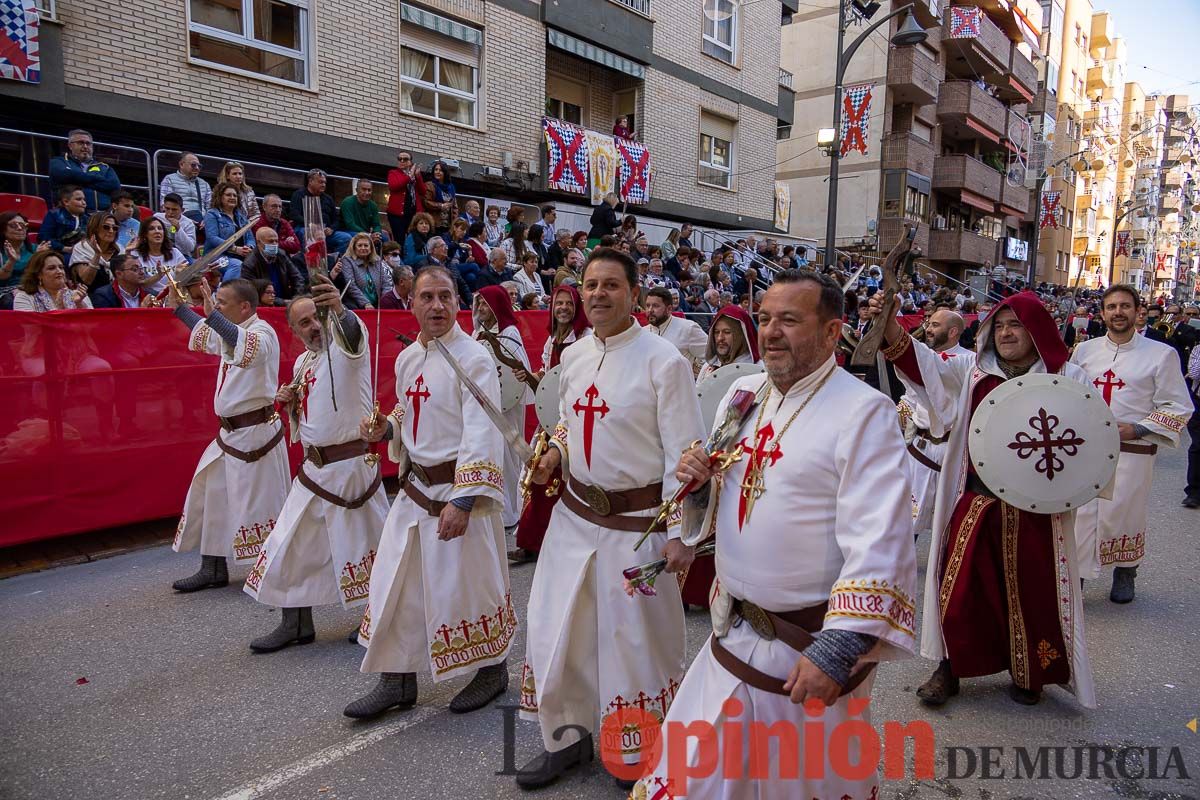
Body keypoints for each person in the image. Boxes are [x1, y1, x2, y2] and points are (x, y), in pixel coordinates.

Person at [632, 270, 918, 800]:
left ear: (833, 333)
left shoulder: (864, 412)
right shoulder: (742, 394)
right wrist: (699, 484)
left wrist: (840, 646)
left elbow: (881, 537)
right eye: (764, 319)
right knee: (696, 778)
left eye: (789, 319)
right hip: (732, 630)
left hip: (807, 648)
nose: (770, 332)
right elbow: (726, 503)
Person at [516, 248, 704, 790]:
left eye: (610, 286)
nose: (597, 295)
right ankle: (567, 742)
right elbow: (570, 427)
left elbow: (684, 455)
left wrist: (679, 535)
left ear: (634, 294)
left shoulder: (662, 361)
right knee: (559, 630)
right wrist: (556, 451)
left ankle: (635, 750)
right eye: (590, 285)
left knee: (633, 643)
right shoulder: (573, 356)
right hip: (573, 520)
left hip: (636, 527)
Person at [865, 290, 1096, 708]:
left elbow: (1089, 440)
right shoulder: (973, 371)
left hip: (1038, 509)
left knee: (1033, 593)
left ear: (1036, 330)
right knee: (959, 590)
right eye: (1000, 325)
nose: (1006, 333)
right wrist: (891, 325)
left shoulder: (1070, 378)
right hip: (978, 498)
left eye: (1016, 325)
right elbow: (925, 367)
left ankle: (1031, 674)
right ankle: (948, 668)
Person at [347, 265, 513, 718]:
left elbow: (483, 430)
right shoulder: (408, 359)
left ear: (457, 301)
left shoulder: (474, 357)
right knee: (395, 584)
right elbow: (410, 409)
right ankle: (397, 680)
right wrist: (388, 427)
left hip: (458, 495)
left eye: (445, 296)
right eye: (427, 297)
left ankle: (492, 670)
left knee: (470, 587)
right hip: (414, 491)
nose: (436, 306)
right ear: (412, 303)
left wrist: (463, 500)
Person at [244, 276, 389, 652]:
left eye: (317, 317)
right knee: (289, 542)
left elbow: (354, 334)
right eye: (304, 323)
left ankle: (381, 621)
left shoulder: (345, 347)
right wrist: (290, 399)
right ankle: (295, 624)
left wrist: (339, 310)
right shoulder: (305, 361)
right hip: (313, 470)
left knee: (368, 550)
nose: (313, 326)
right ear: (293, 330)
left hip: (351, 468)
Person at [164, 277, 290, 593]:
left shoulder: (263, 334)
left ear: (244, 306)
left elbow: (236, 340)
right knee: (212, 493)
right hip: (230, 434)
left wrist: (212, 315)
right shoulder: (230, 331)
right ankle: (212, 568)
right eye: (216, 302)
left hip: (255, 435)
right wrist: (180, 309)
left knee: (260, 506)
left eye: (222, 302)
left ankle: (277, 571)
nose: (216, 307)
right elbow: (210, 335)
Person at [1070, 285, 1192, 603]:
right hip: (1088, 448)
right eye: (1111, 307)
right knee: (1082, 512)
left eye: (1125, 306)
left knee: (1123, 510)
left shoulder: (1161, 354)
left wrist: (1138, 429)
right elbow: (1068, 393)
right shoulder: (1085, 351)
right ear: (1102, 313)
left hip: (1133, 449)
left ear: (1138, 311)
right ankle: (1078, 574)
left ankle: (1126, 569)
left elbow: (1178, 406)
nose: (1118, 312)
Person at [510, 284, 591, 565]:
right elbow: (548, 379)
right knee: (538, 478)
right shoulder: (551, 340)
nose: (564, 309)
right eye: (559, 304)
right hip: (550, 420)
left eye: (569, 303)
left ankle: (561, 542)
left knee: (565, 482)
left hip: (575, 420)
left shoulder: (586, 339)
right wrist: (531, 376)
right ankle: (531, 541)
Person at [896, 309, 971, 541]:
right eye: (929, 323)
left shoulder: (969, 361)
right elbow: (911, 396)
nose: (928, 329)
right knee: (908, 518)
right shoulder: (924, 358)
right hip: (920, 449)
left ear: (953, 331)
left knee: (949, 523)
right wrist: (902, 410)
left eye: (935, 325)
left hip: (952, 451)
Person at [473, 285, 533, 531]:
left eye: (485, 304)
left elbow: (517, 370)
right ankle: (498, 506)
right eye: (478, 304)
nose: (481, 309)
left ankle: (513, 511)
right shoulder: (477, 333)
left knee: (509, 454)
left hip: (507, 404)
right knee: (490, 452)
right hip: (486, 405)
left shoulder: (509, 332)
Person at [49, 129, 120, 212]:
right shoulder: (59, 162)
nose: (85, 146)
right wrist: (98, 179)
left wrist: (77, 180)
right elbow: (61, 175)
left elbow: (114, 186)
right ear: (70, 146)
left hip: (101, 216)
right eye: (81, 143)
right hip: (68, 213)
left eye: (88, 143)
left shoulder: (104, 167)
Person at [645, 286, 707, 372]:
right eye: (648, 306)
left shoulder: (688, 328)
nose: (650, 310)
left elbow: (710, 354)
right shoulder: (642, 332)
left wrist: (697, 371)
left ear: (669, 309)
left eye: (655, 306)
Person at [289, 169, 350, 254]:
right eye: (320, 182)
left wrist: (331, 229)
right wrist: (310, 224)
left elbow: (336, 219)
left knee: (346, 238)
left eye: (325, 183)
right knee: (304, 233)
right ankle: (310, 262)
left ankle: (334, 262)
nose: (323, 185)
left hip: (325, 232)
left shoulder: (328, 199)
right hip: (306, 229)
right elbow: (294, 215)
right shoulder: (299, 194)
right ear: (310, 181)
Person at [240, 227, 307, 303]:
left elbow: (297, 277)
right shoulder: (249, 264)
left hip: (288, 300)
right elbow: (252, 292)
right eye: (271, 241)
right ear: (258, 242)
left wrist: (297, 298)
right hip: (265, 306)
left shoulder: (281, 254)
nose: (275, 244)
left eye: (276, 241)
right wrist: (283, 302)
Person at [696, 304, 760, 383]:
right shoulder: (708, 367)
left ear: (741, 335)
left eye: (727, 332)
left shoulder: (757, 369)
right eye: (716, 332)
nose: (720, 338)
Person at [204, 182, 254, 280]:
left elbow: (251, 238)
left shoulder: (242, 218)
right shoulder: (212, 214)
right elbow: (212, 238)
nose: (232, 197)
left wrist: (248, 247)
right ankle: (224, 294)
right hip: (216, 256)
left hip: (241, 255)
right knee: (236, 265)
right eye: (228, 195)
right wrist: (235, 249)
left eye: (235, 195)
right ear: (220, 197)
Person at [13, 249, 92, 311]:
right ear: (38, 274)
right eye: (51, 268)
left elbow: (92, 326)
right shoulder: (24, 297)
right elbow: (30, 328)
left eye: (61, 267)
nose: (59, 271)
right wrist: (58, 310)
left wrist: (79, 304)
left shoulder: (79, 295)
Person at [132, 216, 188, 296]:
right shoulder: (136, 254)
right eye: (151, 229)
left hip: (172, 295)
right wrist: (159, 275)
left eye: (160, 228)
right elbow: (139, 284)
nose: (157, 231)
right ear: (145, 234)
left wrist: (181, 274)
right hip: (148, 297)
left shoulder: (175, 252)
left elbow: (188, 276)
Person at [69, 212, 121, 295]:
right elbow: (87, 280)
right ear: (95, 228)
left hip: (117, 297)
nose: (111, 231)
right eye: (106, 227)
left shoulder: (120, 250)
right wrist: (97, 255)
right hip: (89, 297)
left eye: (115, 228)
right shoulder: (82, 248)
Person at [338, 233, 393, 310]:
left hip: (378, 304)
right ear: (354, 248)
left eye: (366, 245)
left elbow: (386, 283)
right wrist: (365, 303)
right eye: (360, 245)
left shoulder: (377, 260)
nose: (363, 248)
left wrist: (384, 301)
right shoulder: (347, 261)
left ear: (371, 248)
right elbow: (351, 286)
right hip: (357, 304)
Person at [0, 212, 47, 301]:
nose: (20, 228)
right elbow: (2, 277)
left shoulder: (36, 249)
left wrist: (38, 258)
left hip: (32, 287)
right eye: (13, 225)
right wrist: (11, 261)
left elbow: (44, 275)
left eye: (23, 225)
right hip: (6, 292)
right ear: (3, 229)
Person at [159, 152, 212, 223]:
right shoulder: (169, 179)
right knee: (172, 231)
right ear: (181, 164)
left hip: (201, 222)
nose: (197, 168)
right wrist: (183, 220)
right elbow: (164, 205)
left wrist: (207, 220)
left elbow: (210, 208)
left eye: (199, 166)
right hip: (177, 220)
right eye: (193, 165)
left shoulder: (204, 184)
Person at [38, 185, 89, 256]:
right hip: (58, 254)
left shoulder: (86, 219)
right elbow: (44, 238)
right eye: (79, 199)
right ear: (66, 202)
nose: (84, 203)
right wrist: (65, 249)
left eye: (84, 199)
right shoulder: (54, 215)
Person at [386, 150, 425, 241]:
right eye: (400, 159)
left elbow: (423, 191)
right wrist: (408, 177)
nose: (402, 161)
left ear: (410, 162)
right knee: (399, 239)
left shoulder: (414, 174)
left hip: (413, 213)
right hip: (397, 214)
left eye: (405, 159)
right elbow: (393, 186)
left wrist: (418, 176)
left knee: (414, 239)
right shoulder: (393, 173)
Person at [337, 180, 384, 244]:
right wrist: (368, 235)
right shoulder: (348, 202)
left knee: (384, 237)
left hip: (366, 232)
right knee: (355, 237)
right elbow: (350, 224)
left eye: (369, 190)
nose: (367, 192)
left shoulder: (373, 205)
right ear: (356, 190)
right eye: (364, 189)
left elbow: (376, 224)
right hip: (349, 231)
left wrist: (377, 233)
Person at [155, 193, 198, 259]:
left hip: (182, 255)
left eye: (174, 209)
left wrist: (178, 229)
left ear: (182, 210)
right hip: (160, 253)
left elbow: (190, 248)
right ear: (163, 207)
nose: (170, 212)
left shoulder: (188, 223)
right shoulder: (157, 218)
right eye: (167, 208)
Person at [423, 161, 457, 234]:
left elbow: (454, 207)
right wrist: (441, 206)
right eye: (436, 170)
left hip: (447, 226)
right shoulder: (430, 185)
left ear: (445, 172)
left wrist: (454, 223)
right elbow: (426, 202)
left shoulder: (451, 187)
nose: (437, 172)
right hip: (434, 224)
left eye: (440, 170)